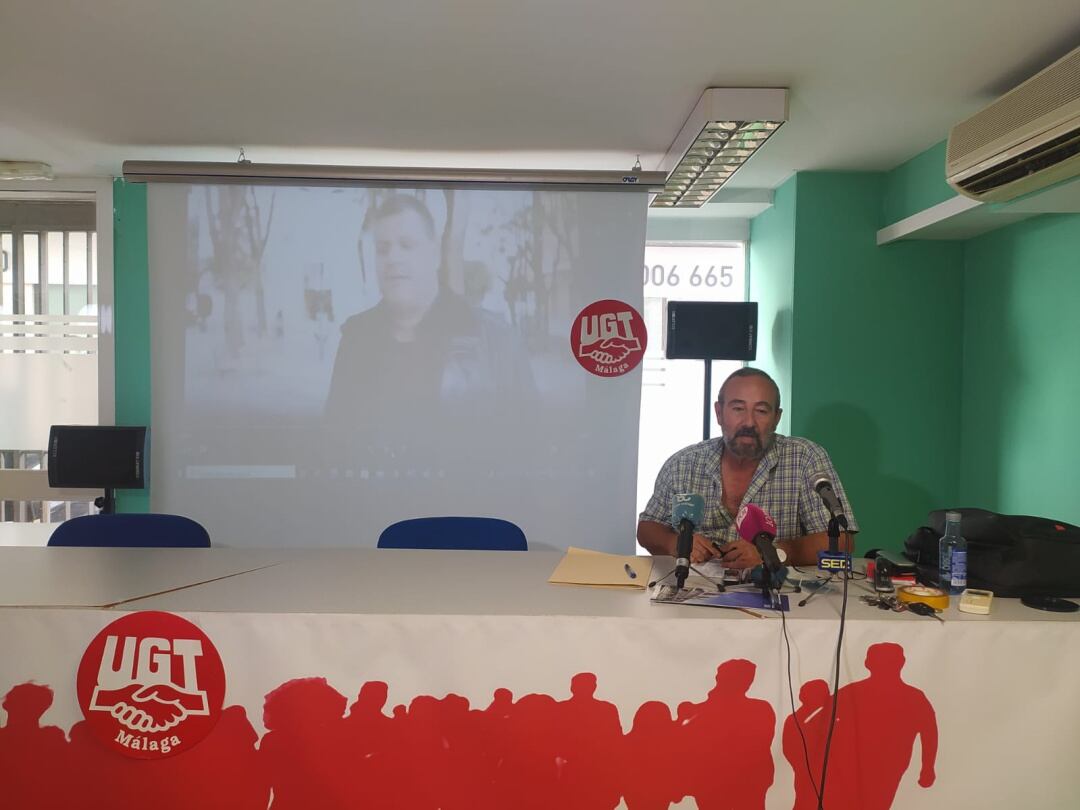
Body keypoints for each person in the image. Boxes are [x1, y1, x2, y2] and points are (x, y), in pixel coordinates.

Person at [323, 194, 535, 442]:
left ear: (434, 254)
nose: (392, 258)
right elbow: (335, 442)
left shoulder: (497, 340)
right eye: (383, 249)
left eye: (406, 245)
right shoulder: (355, 339)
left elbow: (529, 444)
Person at [637, 367, 858, 568]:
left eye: (761, 411)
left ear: (776, 418)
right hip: (694, 592)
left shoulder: (805, 458)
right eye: (738, 408)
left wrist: (773, 552)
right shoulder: (683, 463)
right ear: (719, 413)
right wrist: (674, 542)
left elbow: (842, 539)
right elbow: (648, 528)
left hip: (779, 597)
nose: (749, 422)